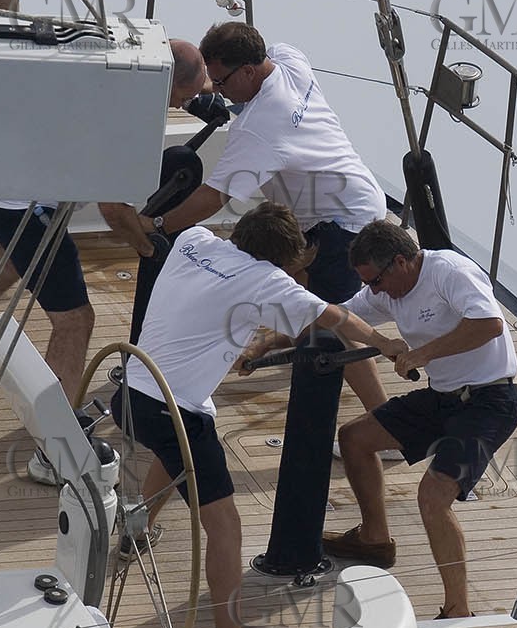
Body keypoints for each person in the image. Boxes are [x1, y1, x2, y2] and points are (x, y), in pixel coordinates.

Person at [110, 202, 405, 628]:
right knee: (225, 525)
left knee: (179, 458)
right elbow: (335, 317)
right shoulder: (267, 281)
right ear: (283, 260)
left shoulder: (194, 240)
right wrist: (384, 342)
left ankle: (136, 532)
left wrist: (255, 342)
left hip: (129, 393)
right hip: (172, 412)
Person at [0, 41, 210, 483]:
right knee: (75, 320)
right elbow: (114, 210)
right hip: (21, 205)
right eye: (187, 96)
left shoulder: (108, 68)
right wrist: (147, 246)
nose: (189, 104)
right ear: (166, 84)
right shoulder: (128, 123)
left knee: (17, 249)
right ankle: (54, 450)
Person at [107, 22, 391, 416]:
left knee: (335, 331)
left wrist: (153, 228)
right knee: (301, 295)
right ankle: (277, 345)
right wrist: (201, 92)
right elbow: (250, 78)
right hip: (355, 198)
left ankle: (386, 425)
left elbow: (214, 197)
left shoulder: (258, 129)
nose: (218, 90)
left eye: (221, 83)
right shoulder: (289, 59)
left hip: (342, 225)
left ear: (248, 71)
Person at [322, 221, 517, 620]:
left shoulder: (450, 272)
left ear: (400, 262)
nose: (374, 291)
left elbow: (488, 324)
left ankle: (457, 610)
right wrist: (274, 338)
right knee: (354, 439)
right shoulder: (387, 288)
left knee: (433, 498)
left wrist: (422, 354)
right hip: (443, 397)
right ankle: (375, 539)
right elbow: (342, 315)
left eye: (376, 281)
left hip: (490, 401)